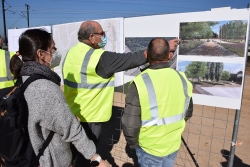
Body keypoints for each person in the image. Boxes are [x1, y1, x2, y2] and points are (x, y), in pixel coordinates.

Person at [62, 20, 180, 166]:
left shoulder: (70, 54)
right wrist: (165, 47)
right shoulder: (99, 58)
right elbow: (130, 59)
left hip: (73, 114)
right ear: (92, 37)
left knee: (75, 153)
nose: (104, 36)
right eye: (101, 34)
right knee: (87, 156)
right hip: (91, 118)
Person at [9, 29, 110, 167]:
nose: (56, 52)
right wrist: (96, 158)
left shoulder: (24, 79)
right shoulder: (45, 88)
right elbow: (71, 129)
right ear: (41, 54)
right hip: (50, 162)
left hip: (32, 157)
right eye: (53, 48)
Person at [122, 38, 193, 167]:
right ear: (169, 55)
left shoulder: (139, 82)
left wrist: (133, 144)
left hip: (149, 147)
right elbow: (188, 112)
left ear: (146, 55)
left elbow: (129, 123)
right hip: (173, 144)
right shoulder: (182, 79)